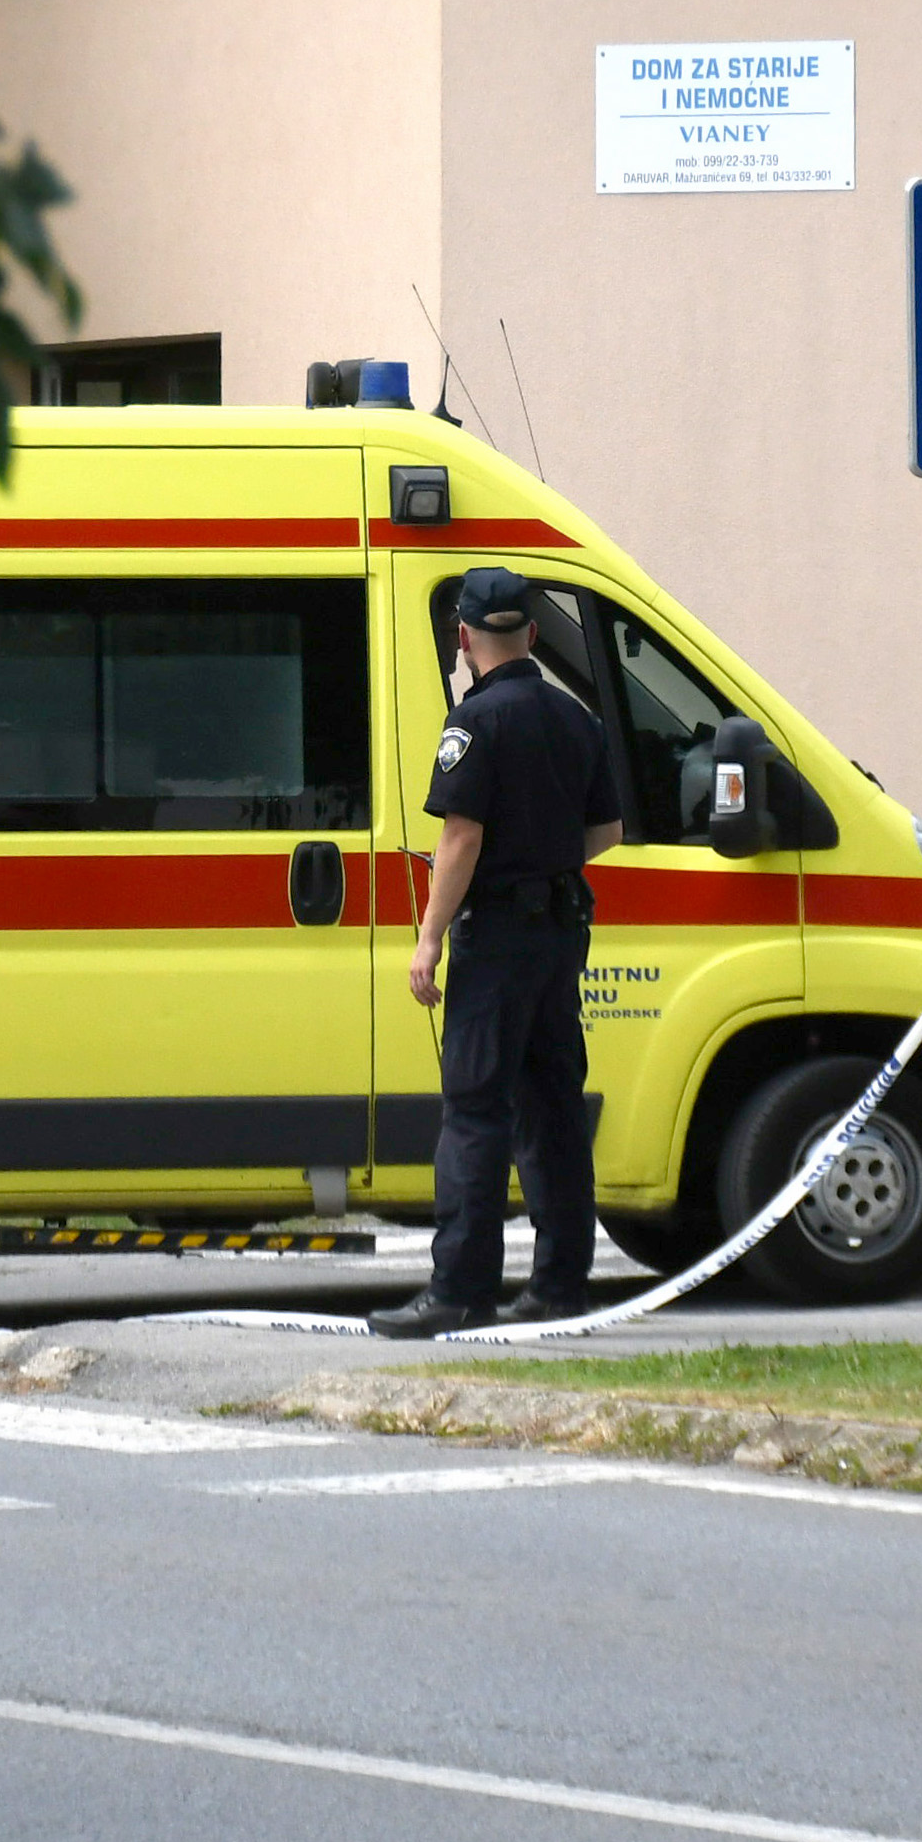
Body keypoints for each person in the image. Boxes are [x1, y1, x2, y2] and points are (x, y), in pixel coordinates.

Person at [371, 567, 624, 1338]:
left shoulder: (475, 723)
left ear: (464, 639)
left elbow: (461, 836)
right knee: (553, 1108)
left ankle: (459, 1290)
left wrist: (429, 937)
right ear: (534, 636)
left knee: (477, 1110)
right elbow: (606, 833)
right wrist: (543, 861)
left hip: (498, 939)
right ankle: (559, 1285)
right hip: (560, 933)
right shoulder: (576, 718)